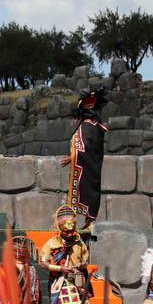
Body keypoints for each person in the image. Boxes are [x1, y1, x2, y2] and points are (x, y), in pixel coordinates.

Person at [63, 88, 107, 233]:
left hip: (87, 166)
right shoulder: (91, 125)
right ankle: (88, 221)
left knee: (87, 192)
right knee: (88, 191)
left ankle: (89, 221)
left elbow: (86, 146)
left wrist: (72, 157)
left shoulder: (88, 126)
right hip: (87, 165)